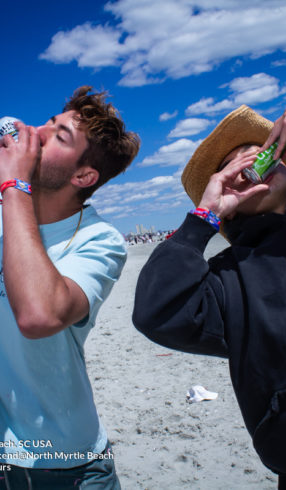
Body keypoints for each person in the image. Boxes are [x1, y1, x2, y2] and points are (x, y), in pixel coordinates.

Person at [133, 94, 286, 489]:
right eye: (232, 168)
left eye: (261, 153)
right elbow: (155, 312)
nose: (250, 166)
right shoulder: (225, 280)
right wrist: (204, 215)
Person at [0, 86, 139, 489]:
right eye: (48, 122)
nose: (38, 132)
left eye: (58, 136)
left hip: (68, 466)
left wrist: (15, 186)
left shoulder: (100, 241)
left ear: (83, 176)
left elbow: (39, 315)